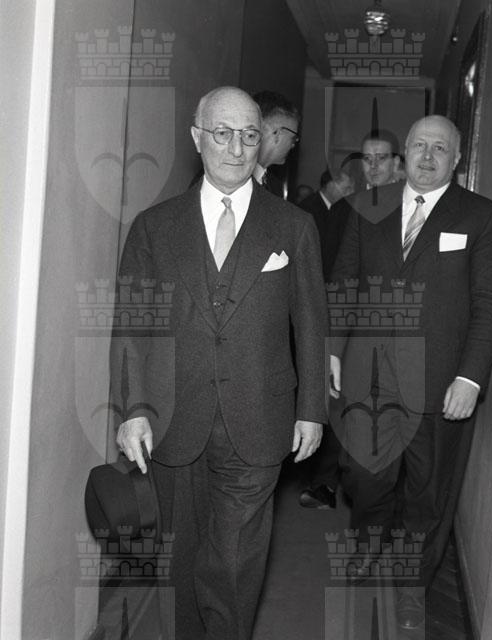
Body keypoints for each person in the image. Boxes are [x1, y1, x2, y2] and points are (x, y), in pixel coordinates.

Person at [112, 86, 327, 640]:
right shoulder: (154, 227)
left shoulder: (293, 227)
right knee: (180, 563)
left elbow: (310, 321)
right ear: (197, 137)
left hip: (258, 416)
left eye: (250, 135)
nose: (237, 148)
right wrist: (132, 409)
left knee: (232, 565)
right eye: (223, 133)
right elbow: (133, 326)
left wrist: (312, 409)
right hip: (172, 420)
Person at [329, 115, 492, 631]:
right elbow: (343, 283)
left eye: (441, 149)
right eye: (420, 146)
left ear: (457, 158)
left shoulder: (483, 217)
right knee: (365, 476)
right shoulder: (368, 206)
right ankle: (368, 541)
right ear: (405, 153)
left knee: (428, 495)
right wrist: (333, 350)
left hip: (440, 382)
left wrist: (470, 378)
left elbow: (488, 304)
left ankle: (411, 588)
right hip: (369, 376)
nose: (428, 157)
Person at [298, 130, 403, 510]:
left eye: (381, 158)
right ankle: (328, 482)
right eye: (367, 159)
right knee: (340, 404)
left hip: (398, 331)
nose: (373, 166)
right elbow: (329, 266)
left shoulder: (412, 208)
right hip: (348, 327)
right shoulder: (347, 208)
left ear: (397, 163)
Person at [298, 168, 355, 281]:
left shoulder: (340, 210)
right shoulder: (308, 210)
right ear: (330, 185)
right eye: (347, 188)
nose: (351, 193)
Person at [252, 90, 300, 197]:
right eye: (293, 138)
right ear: (278, 133)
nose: (293, 145)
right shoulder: (234, 177)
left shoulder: (275, 187)